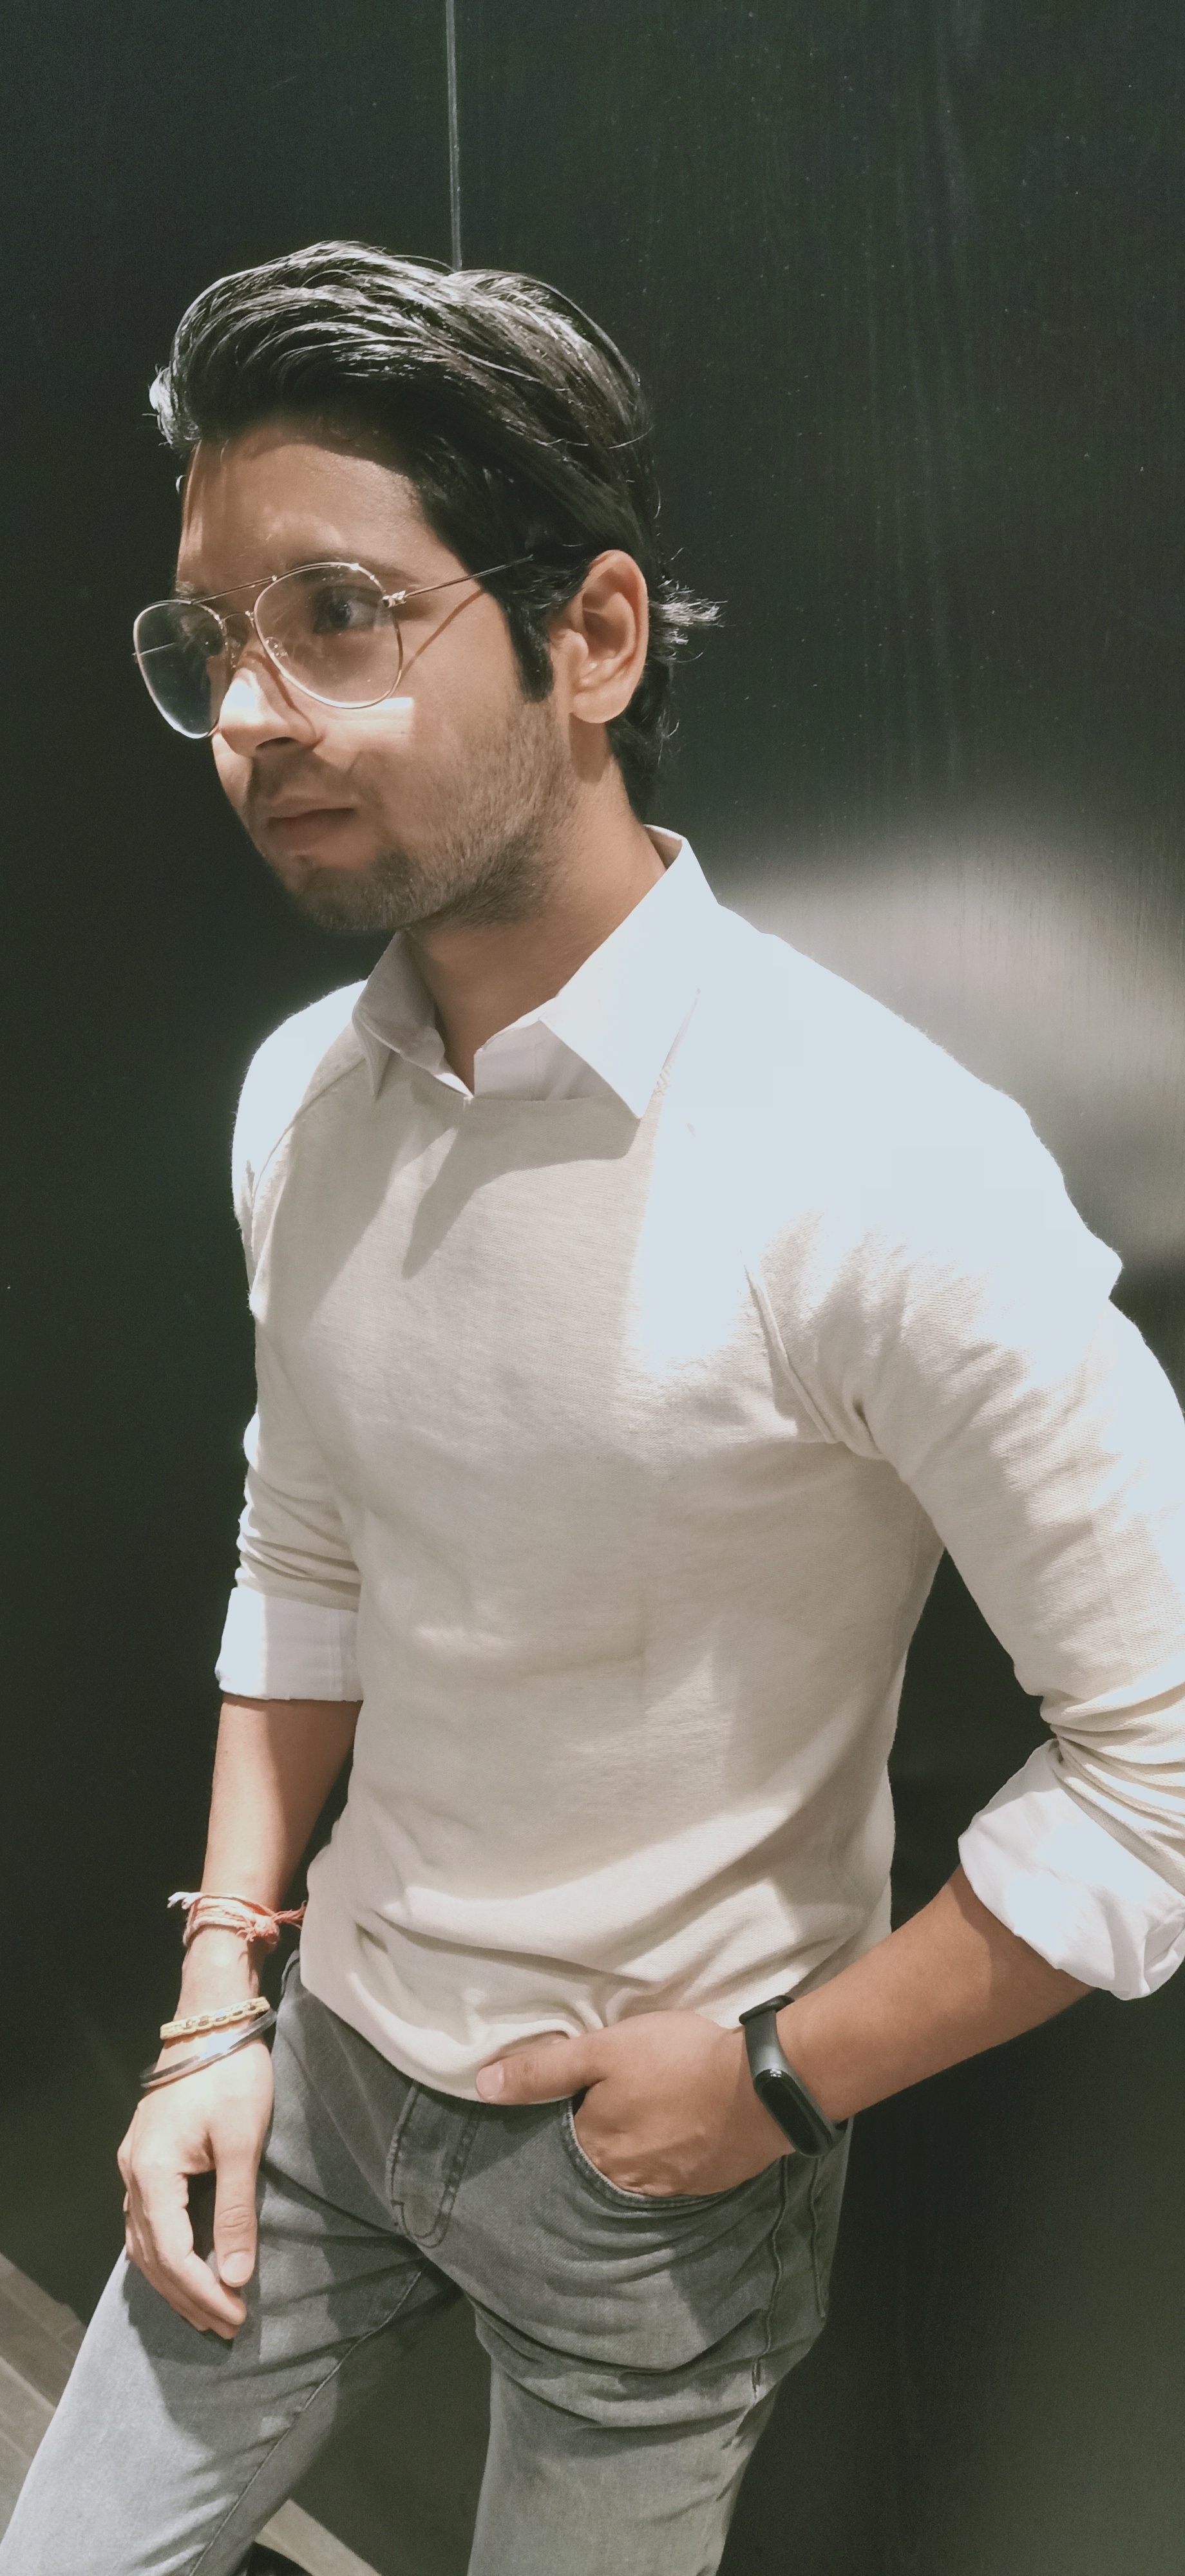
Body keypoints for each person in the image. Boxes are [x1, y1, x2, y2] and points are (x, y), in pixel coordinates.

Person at [5, 240, 1185, 2576]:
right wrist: (215, 1998)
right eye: (213, 639)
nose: (250, 711)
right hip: (324, 2061)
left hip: (658, 2167)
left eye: (338, 614)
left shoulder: (881, 1164)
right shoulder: (301, 1099)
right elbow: (304, 1540)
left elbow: (1161, 1760)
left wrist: (776, 2080)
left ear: (598, 638)